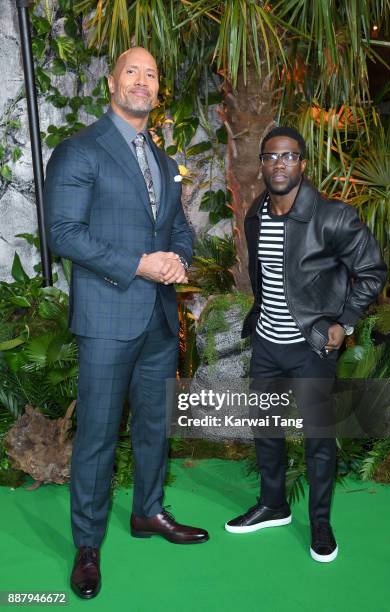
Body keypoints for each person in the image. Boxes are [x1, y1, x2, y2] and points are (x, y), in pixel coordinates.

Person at [44, 47, 208, 600]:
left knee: (154, 428)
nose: (142, 81)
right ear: (112, 82)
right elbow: (63, 232)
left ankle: (148, 513)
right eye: (132, 71)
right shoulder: (79, 151)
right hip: (108, 316)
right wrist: (140, 264)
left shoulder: (164, 162)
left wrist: (178, 259)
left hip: (160, 320)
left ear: (157, 91)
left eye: (152, 74)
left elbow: (178, 227)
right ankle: (87, 545)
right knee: (96, 435)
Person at [224, 126, 386, 562]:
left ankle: (320, 522)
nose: (280, 164)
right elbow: (265, 277)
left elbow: (371, 270)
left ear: (304, 164)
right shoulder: (255, 214)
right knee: (267, 430)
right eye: (272, 157)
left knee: (317, 438)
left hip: (311, 346)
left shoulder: (332, 217)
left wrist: (345, 322)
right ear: (261, 164)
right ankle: (273, 504)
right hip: (267, 344)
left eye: (289, 156)